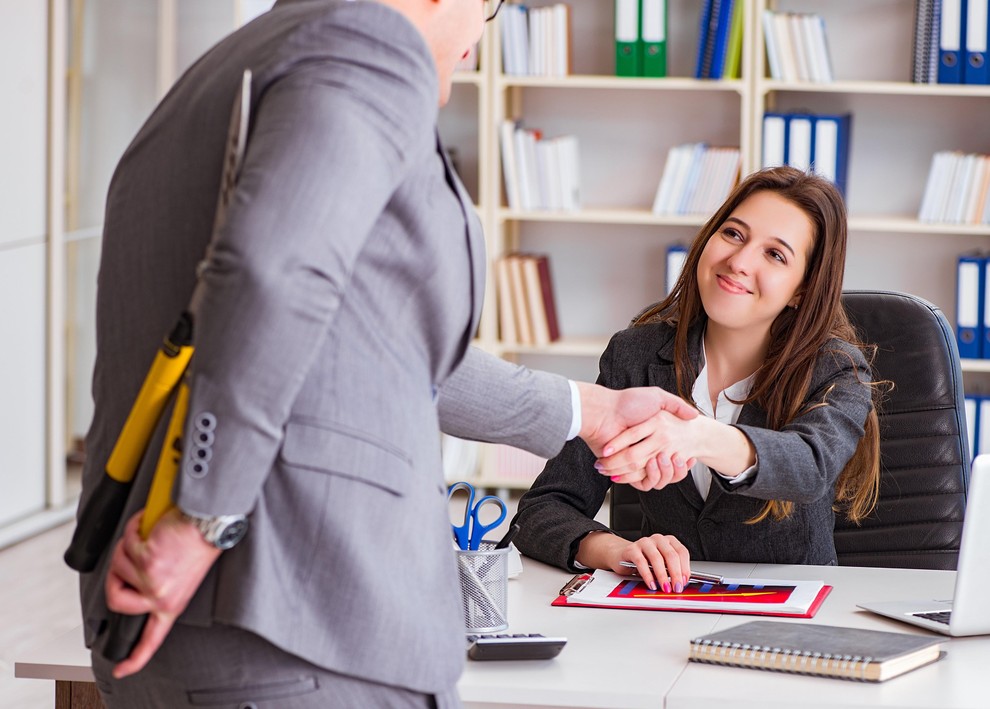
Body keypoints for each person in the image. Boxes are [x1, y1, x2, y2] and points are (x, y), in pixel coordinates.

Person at [72, 1, 701, 707]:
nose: (479, 38)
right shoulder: (361, 47)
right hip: (294, 614)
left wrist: (593, 410)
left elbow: (366, 344)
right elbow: (274, 274)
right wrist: (204, 513)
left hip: (188, 614)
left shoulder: (224, 71)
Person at [513, 166, 883, 595]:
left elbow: (809, 466)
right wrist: (613, 549)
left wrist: (698, 437)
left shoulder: (838, 369)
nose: (739, 262)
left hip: (791, 618)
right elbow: (542, 509)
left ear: (802, 290)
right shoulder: (635, 355)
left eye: (775, 255)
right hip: (662, 613)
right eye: (733, 234)